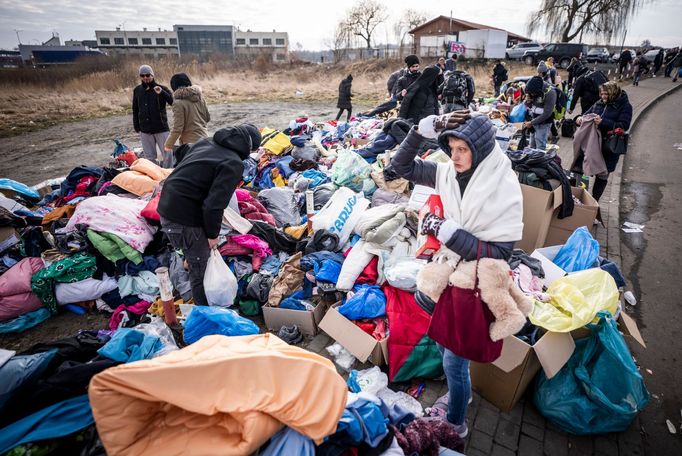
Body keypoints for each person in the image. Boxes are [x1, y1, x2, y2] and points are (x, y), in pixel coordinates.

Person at [391, 111, 523, 438]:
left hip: (475, 287)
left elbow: (501, 254)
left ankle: (456, 424)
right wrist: (421, 131)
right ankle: (458, 390)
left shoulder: (503, 187)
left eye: (463, 149)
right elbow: (401, 167)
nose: (455, 156)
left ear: (479, 149)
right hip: (447, 279)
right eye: (451, 147)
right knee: (441, 339)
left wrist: (449, 232)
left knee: (453, 361)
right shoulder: (447, 173)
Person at [158, 124, 261, 306]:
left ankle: (201, 299)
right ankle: (205, 316)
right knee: (201, 270)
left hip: (166, 205)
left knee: (194, 258)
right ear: (249, 147)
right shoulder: (233, 163)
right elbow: (214, 205)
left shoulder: (207, 142)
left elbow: (182, 157)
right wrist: (212, 235)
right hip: (183, 215)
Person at [573, 81, 632, 202]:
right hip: (592, 145)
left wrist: (603, 122)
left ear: (613, 93)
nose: (603, 96)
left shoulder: (625, 106)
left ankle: (594, 202)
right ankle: (579, 199)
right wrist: (578, 118)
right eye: (602, 93)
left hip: (608, 147)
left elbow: (624, 125)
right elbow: (586, 114)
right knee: (581, 169)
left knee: (602, 176)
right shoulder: (598, 103)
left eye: (606, 94)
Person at [163, 73, 211, 168]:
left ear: (174, 87)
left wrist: (168, 145)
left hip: (190, 144)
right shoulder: (200, 97)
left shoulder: (178, 103)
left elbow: (178, 128)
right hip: (205, 138)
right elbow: (207, 118)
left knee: (194, 169)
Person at [132, 64, 173, 163]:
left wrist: (162, 92)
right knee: (149, 158)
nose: (145, 77)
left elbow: (172, 102)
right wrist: (137, 126)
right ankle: (155, 176)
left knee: (168, 155)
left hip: (161, 128)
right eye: (142, 75)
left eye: (147, 75)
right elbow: (135, 109)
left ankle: (170, 175)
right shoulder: (137, 90)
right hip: (145, 130)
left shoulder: (161, 88)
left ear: (152, 75)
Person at [523, 76, 556, 151]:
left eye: (532, 93)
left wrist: (531, 122)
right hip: (534, 120)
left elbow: (547, 113)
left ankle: (539, 161)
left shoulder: (550, 93)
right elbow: (529, 106)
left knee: (540, 146)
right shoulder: (532, 89)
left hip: (544, 123)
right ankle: (531, 160)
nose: (532, 94)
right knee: (532, 145)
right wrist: (527, 102)